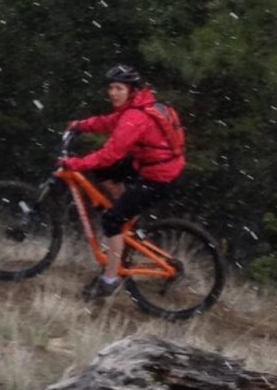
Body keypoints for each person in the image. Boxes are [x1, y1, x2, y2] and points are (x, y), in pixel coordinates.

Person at [62, 63, 186, 299]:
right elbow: (109, 123)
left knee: (111, 220)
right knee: (105, 172)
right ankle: (127, 220)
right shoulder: (138, 106)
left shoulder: (135, 116)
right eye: (111, 88)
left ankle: (109, 280)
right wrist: (80, 125)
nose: (113, 93)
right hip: (152, 165)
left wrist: (75, 164)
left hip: (158, 176)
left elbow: (110, 153)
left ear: (131, 90)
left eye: (118, 88)